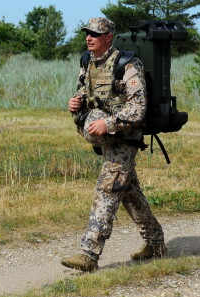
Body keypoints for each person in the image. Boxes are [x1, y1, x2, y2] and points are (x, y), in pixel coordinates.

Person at [61, 17, 166, 272]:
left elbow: (137, 109)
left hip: (124, 138)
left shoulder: (127, 64)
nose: (89, 38)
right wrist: (75, 103)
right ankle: (156, 243)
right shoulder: (87, 61)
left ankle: (89, 253)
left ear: (109, 37)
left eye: (95, 34)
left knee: (108, 189)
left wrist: (108, 124)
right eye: (87, 33)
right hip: (105, 137)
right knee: (129, 193)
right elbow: (83, 92)